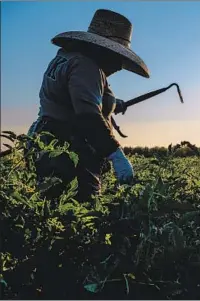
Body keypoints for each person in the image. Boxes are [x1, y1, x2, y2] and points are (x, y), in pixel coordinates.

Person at [27, 9, 150, 203]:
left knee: (50, 206)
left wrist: (113, 104)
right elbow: (88, 116)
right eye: (118, 57)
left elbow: (71, 97)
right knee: (80, 212)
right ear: (102, 49)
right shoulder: (86, 67)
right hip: (69, 151)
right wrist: (116, 155)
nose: (119, 66)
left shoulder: (67, 57)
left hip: (47, 141)